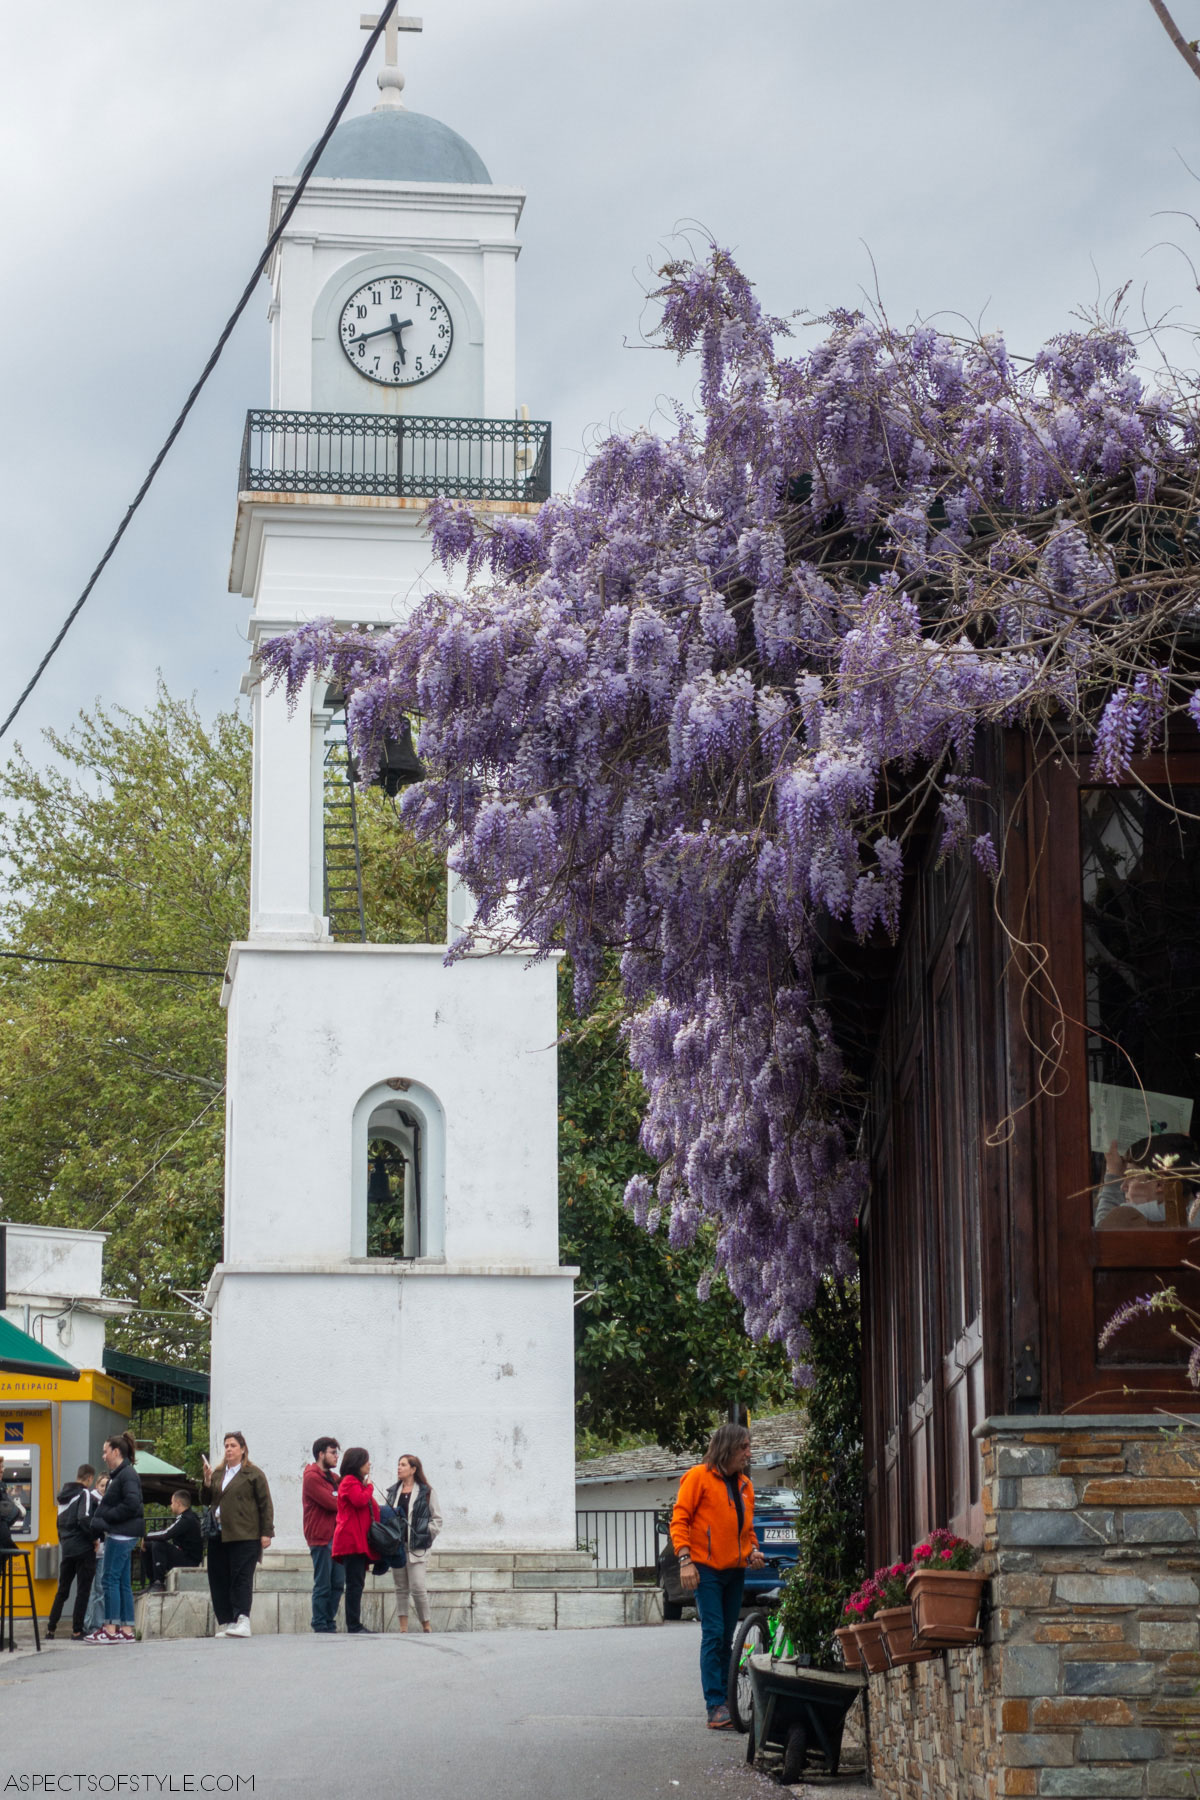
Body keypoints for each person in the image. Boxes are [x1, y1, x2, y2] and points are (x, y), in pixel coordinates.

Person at [670, 1422, 766, 1729]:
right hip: (706, 1570)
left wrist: (753, 1551)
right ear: (726, 1448)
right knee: (713, 1633)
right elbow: (679, 1520)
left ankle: (726, 1705)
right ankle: (715, 1705)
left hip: (734, 1571)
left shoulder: (745, 1486)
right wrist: (685, 1560)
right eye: (744, 1447)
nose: (748, 1454)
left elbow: (746, 1530)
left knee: (727, 1637)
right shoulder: (698, 1477)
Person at [200, 1431, 274, 1639]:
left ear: (242, 1449)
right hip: (219, 1534)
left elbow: (265, 1504)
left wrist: (266, 1532)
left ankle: (243, 1619)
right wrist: (206, 1482)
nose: (229, 1449)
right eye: (226, 1446)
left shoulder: (253, 1474)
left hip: (245, 1534)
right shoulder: (217, 1473)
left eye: (233, 1445)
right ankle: (228, 1621)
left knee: (241, 1577)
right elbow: (206, 1500)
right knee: (219, 1577)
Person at [84, 1433, 145, 1645]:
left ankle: (110, 1628)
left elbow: (131, 1504)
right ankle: (126, 1629)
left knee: (109, 1579)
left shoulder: (124, 1475)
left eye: (105, 1451)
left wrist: (105, 1518)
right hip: (126, 1534)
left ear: (116, 1452)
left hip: (120, 1534)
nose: (103, 1455)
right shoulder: (125, 1474)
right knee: (122, 1582)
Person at [385, 1453, 442, 1634]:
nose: (399, 1468)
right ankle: (403, 1628)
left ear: (413, 1469)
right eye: (398, 1464)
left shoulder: (426, 1491)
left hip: (417, 1548)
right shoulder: (393, 1492)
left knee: (418, 1587)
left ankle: (426, 1625)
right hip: (397, 1547)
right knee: (401, 1588)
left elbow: (437, 1519)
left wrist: (425, 1535)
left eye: (403, 1465)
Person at [1095, 1134, 1200, 1228]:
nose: (1123, 1187)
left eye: (1132, 1177)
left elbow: (1102, 1230)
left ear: (1159, 1184)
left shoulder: (1130, 1214)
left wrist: (1113, 1173)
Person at [331, 1447, 379, 1635]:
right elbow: (359, 1500)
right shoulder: (350, 1482)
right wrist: (370, 1487)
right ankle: (354, 1625)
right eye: (366, 1460)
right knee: (354, 1584)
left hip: (357, 1540)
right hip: (351, 1541)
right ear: (357, 1463)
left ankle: (355, 1623)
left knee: (356, 1582)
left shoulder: (355, 1482)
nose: (369, 1464)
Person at [46, 1463, 98, 1640]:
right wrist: (94, 1539)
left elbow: (58, 1524)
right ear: (89, 1478)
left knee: (63, 1590)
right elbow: (83, 1518)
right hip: (83, 1548)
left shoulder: (63, 1496)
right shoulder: (84, 1493)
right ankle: (77, 1630)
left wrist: (64, 1542)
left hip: (67, 1548)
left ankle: (50, 1629)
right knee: (83, 1590)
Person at [303, 1436, 345, 1633]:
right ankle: (320, 1623)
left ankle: (329, 1621)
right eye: (333, 1452)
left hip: (336, 1538)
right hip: (320, 1537)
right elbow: (333, 1503)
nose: (336, 1457)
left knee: (337, 1583)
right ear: (321, 1454)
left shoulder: (335, 1479)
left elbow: (341, 1500)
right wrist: (339, 1499)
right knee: (323, 1583)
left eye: (337, 1452)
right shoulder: (312, 1477)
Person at [144, 1489, 203, 1592]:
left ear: (178, 1503)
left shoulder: (186, 1519)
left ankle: (159, 1583)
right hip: (183, 1555)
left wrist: (145, 1536)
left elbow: (166, 1534)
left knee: (158, 1544)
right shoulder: (187, 1517)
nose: (171, 1506)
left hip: (189, 1561)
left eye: (172, 1503)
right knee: (147, 1545)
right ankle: (152, 1582)